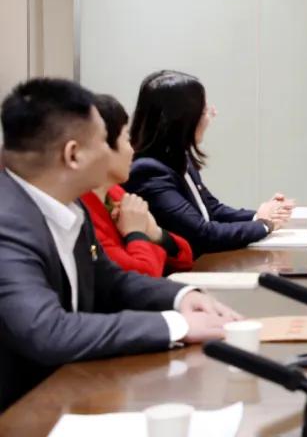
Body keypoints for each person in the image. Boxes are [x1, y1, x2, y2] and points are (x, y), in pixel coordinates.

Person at [0, 78, 239, 409]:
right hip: (21, 412)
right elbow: (47, 330)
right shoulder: (8, 224)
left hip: (67, 392)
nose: (125, 148)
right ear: (73, 155)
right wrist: (177, 325)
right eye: (104, 140)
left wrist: (182, 297)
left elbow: (109, 280)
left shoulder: (68, 204)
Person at [123, 70, 293, 256]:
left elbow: (211, 209)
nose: (212, 114)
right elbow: (202, 235)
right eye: (204, 111)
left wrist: (261, 215)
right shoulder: (148, 171)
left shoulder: (177, 155)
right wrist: (264, 224)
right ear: (183, 119)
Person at [79, 94, 194, 276]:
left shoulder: (114, 193)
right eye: (126, 139)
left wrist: (155, 233)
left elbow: (184, 256)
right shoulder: (82, 212)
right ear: (102, 148)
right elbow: (143, 275)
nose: (132, 150)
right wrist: (136, 233)